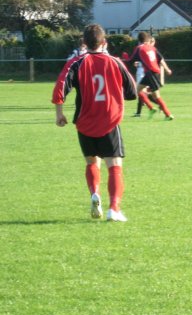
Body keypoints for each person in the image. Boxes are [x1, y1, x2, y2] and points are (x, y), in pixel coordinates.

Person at [52, 24, 137, 222]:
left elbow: (60, 88)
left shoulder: (76, 62)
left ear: (84, 43)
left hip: (85, 122)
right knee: (114, 165)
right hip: (109, 121)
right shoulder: (115, 62)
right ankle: (114, 209)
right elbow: (132, 91)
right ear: (104, 42)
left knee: (92, 162)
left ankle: (94, 194)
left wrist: (59, 114)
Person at [130, 32, 174, 120]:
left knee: (156, 96)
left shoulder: (139, 48)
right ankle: (151, 108)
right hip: (153, 73)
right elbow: (160, 59)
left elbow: (131, 60)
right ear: (148, 39)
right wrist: (167, 69)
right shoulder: (152, 48)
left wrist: (121, 60)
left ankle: (168, 114)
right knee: (138, 90)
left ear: (139, 40)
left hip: (151, 73)